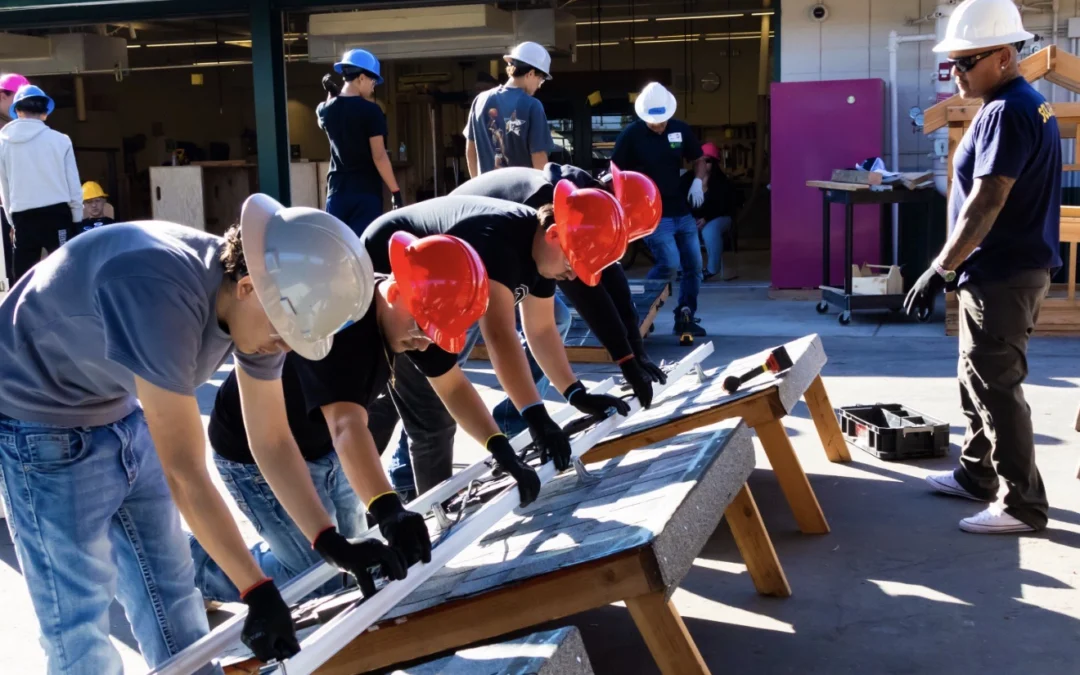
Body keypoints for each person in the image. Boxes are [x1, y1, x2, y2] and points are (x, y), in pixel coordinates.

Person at [0, 193, 407, 673]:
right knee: (79, 622)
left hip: (117, 406)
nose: (282, 347)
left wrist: (330, 542)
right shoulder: (161, 293)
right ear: (250, 288)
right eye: (284, 333)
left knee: (173, 596)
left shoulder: (260, 308)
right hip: (39, 421)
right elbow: (186, 473)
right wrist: (256, 589)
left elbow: (273, 441)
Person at [192, 232, 542, 603]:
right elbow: (346, 425)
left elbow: (453, 386)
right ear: (393, 294)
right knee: (321, 579)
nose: (424, 343)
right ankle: (202, 565)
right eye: (422, 330)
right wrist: (389, 510)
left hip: (324, 449)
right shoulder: (345, 319)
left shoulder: (409, 319)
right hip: (256, 456)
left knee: (358, 560)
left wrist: (500, 448)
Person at [906, 0, 1059, 534]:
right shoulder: (1025, 104)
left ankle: (1022, 505)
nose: (956, 74)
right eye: (952, 64)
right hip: (1004, 271)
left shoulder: (1007, 112)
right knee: (976, 379)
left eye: (965, 62)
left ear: (1002, 55)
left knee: (996, 385)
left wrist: (942, 266)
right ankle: (976, 475)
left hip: (1002, 272)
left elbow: (988, 198)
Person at [360, 193, 631, 495]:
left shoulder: (541, 251)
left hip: (436, 287)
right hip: (397, 278)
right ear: (554, 235)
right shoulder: (500, 246)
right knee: (431, 420)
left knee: (396, 397)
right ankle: (427, 519)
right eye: (572, 264)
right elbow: (500, 338)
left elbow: (540, 329)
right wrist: (535, 415)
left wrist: (575, 392)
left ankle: (373, 485)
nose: (571, 275)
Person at [450, 162, 669, 406]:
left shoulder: (587, 197)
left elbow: (613, 282)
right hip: (457, 257)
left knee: (554, 320)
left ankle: (517, 416)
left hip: (497, 259)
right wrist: (626, 360)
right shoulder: (563, 204)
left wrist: (635, 351)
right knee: (447, 357)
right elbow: (587, 296)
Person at [611, 82, 707, 338]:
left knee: (694, 267)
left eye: (663, 120)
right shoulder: (632, 135)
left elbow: (699, 159)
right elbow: (615, 172)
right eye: (655, 122)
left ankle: (686, 315)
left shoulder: (680, 130)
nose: (660, 125)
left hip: (681, 210)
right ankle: (638, 311)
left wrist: (699, 181)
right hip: (651, 214)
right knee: (669, 262)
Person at [0, 84, 82, 282]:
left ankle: (25, 314)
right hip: (58, 216)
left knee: (23, 281)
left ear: (17, 111)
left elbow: (5, 187)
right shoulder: (61, 140)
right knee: (66, 275)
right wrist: (77, 219)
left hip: (23, 218)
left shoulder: (3, 143)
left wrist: (13, 222)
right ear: (45, 112)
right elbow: (73, 184)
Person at [318, 48, 402, 236]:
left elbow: (321, 115)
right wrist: (395, 191)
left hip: (337, 193)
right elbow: (379, 156)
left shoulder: (327, 110)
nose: (374, 86)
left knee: (337, 248)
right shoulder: (371, 111)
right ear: (361, 77)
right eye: (373, 80)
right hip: (365, 194)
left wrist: (332, 94)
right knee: (363, 249)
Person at [464, 41, 554, 177]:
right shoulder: (533, 106)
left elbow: (471, 150)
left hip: (485, 194)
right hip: (521, 195)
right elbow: (539, 156)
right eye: (540, 79)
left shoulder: (479, 101)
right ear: (530, 73)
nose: (539, 86)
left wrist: (477, 185)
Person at [693, 142, 737, 281]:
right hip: (699, 219)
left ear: (714, 163)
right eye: (701, 160)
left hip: (721, 217)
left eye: (708, 161)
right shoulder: (691, 181)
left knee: (709, 230)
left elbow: (722, 206)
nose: (704, 164)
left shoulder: (722, 183)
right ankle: (685, 270)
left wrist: (705, 218)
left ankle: (712, 269)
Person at [0, 72, 29, 286]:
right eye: (18, 98)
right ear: (3, 96)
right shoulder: (6, 131)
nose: (22, 105)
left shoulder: (14, 128)